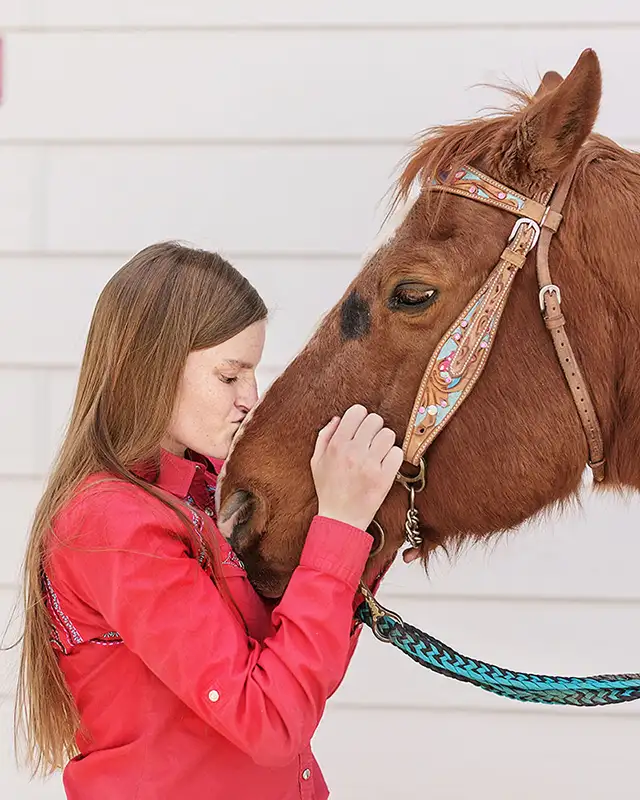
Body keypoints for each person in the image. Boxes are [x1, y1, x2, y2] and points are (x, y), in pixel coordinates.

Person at [15, 241, 403, 799]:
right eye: (230, 376)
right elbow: (269, 721)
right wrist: (339, 530)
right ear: (153, 369)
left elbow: (292, 663)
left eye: (252, 373)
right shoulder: (113, 525)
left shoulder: (206, 492)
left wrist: (365, 535)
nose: (252, 398)